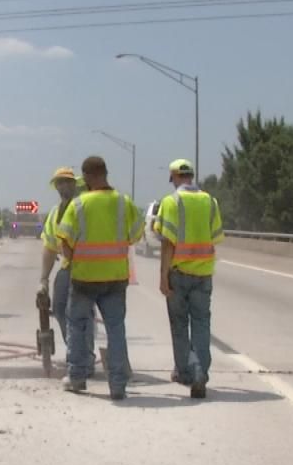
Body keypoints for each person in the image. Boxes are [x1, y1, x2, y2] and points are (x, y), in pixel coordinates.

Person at [57, 156, 143, 400]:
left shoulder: (79, 204)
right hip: (115, 279)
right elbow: (136, 235)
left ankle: (76, 377)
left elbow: (64, 241)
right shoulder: (123, 202)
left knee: (77, 325)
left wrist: (74, 261)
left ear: (86, 177)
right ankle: (117, 385)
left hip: (84, 278)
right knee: (115, 329)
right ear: (106, 173)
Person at [155, 159, 224, 399]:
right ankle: (201, 371)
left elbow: (167, 242)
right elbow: (215, 237)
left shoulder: (171, 201)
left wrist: (163, 276)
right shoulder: (210, 201)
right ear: (192, 176)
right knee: (202, 324)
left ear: (174, 177)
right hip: (204, 274)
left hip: (179, 273)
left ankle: (187, 372)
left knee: (180, 325)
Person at [39, 167, 80, 351]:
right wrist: (44, 279)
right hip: (69, 266)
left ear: (74, 183)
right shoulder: (55, 213)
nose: (63, 186)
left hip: (91, 267)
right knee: (59, 309)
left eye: (66, 182)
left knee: (81, 313)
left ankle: (82, 355)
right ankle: (75, 349)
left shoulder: (84, 206)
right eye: (59, 183)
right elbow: (49, 248)